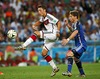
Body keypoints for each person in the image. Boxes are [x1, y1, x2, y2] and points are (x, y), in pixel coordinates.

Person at [15, 5, 61, 77]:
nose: (39, 12)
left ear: (44, 10)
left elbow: (58, 22)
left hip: (53, 33)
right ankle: (55, 68)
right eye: (38, 10)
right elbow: (39, 22)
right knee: (44, 53)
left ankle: (24, 45)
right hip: (50, 36)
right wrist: (34, 25)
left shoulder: (49, 16)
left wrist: (58, 31)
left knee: (36, 33)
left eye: (40, 10)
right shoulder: (43, 18)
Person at [62, 10, 87, 77]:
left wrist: (67, 39)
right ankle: (82, 74)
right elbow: (73, 31)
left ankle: (68, 71)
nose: (69, 18)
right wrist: (67, 25)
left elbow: (75, 32)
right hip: (80, 45)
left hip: (81, 45)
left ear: (75, 17)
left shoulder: (77, 23)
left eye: (70, 16)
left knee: (69, 54)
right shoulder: (74, 24)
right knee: (76, 59)